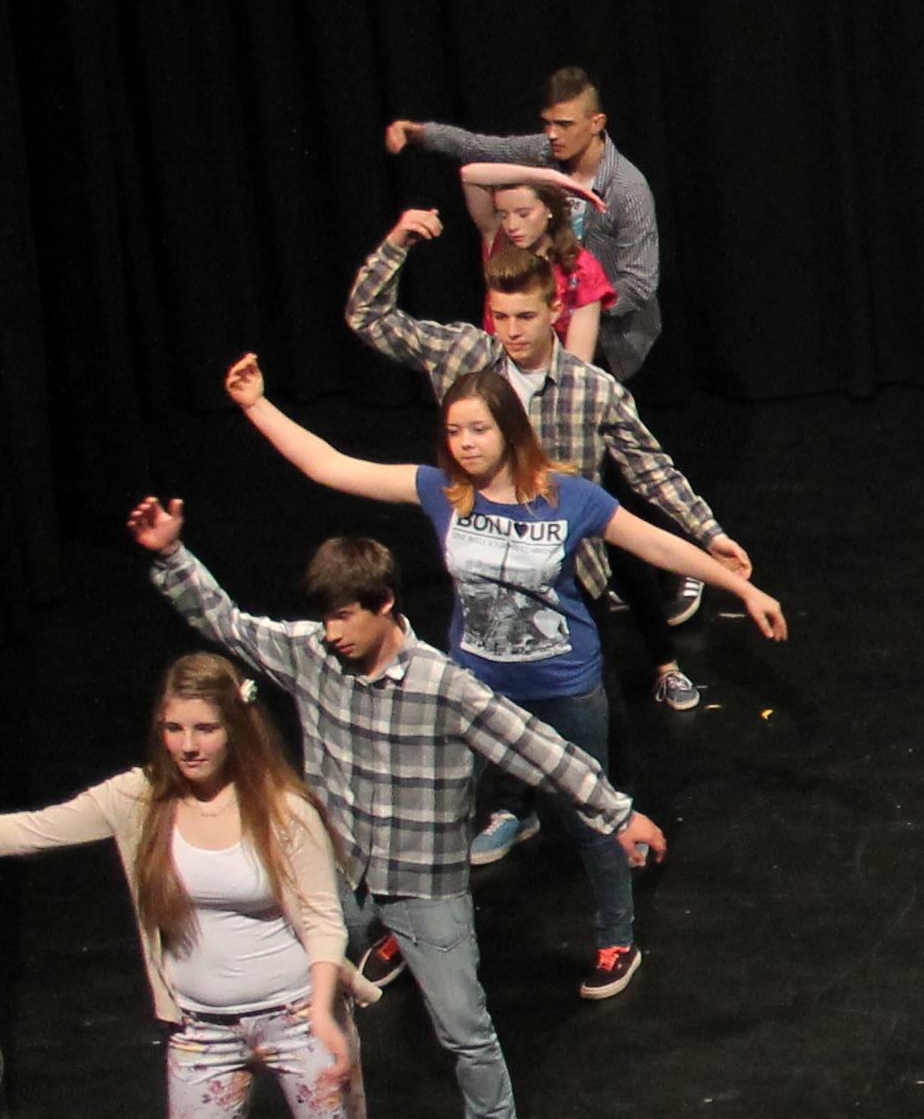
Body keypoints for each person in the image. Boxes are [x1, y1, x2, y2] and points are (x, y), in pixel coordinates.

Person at [132, 501, 667, 1119]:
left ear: (385, 603)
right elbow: (226, 622)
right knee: (302, 1011)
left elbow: (537, 747)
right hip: (336, 877)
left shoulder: (444, 686)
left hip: (424, 883)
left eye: (345, 616)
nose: (332, 632)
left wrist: (616, 811)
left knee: (463, 1025)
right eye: (324, 617)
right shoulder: (311, 655)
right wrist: (170, 555)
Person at [228, 350, 786, 997]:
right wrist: (256, 405)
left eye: (479, 429)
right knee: (430, 813)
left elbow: (654, 544)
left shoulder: (568, 496)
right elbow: (329, 465)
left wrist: (742, 589)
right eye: (454, 431)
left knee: (591, 813)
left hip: (564, 686)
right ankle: (406, 925)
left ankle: (617, 937)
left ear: (510, 430)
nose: (465, 443)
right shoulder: (442, 491)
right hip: (473, 690)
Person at [0, 653, 421, 1119]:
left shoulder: (281, 809)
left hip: (295, 1014)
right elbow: (31, 830)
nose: (188, 745)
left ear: (236, 729)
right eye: (174, 729)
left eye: (204, 729)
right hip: (202, 1030)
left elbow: (325, 922)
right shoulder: (138, 799)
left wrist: (325, 1008)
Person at [348, 209, 756, 713]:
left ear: (554, 308)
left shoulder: (591, 391)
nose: (512, 331)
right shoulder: (465, 354)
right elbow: (368, 318)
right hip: (490, 565)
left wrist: (709, 533)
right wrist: (397, 243)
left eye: (525, 317)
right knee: (496, 717)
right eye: (501, 317)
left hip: (570, 575)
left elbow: (652, 470)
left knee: (590, 711)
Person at [389, 69, 663, 378]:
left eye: (564, 124)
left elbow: (639, 282)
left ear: (596, 123)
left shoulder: (628, 189)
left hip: (606, 333)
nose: (552, 134)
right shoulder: (543, 154)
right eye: (547, 123)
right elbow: (480, 148)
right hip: (532, 325)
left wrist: (574, 306)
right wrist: (420, 134)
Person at [447, 159, 615, 362]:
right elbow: (469, 175)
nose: (512, 225)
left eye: (523, 214)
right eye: (503, 215)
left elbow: (579, 360)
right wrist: (548, 176)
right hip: (496, 369)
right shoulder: (498, 243)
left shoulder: (581, 269)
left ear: (549, 209)